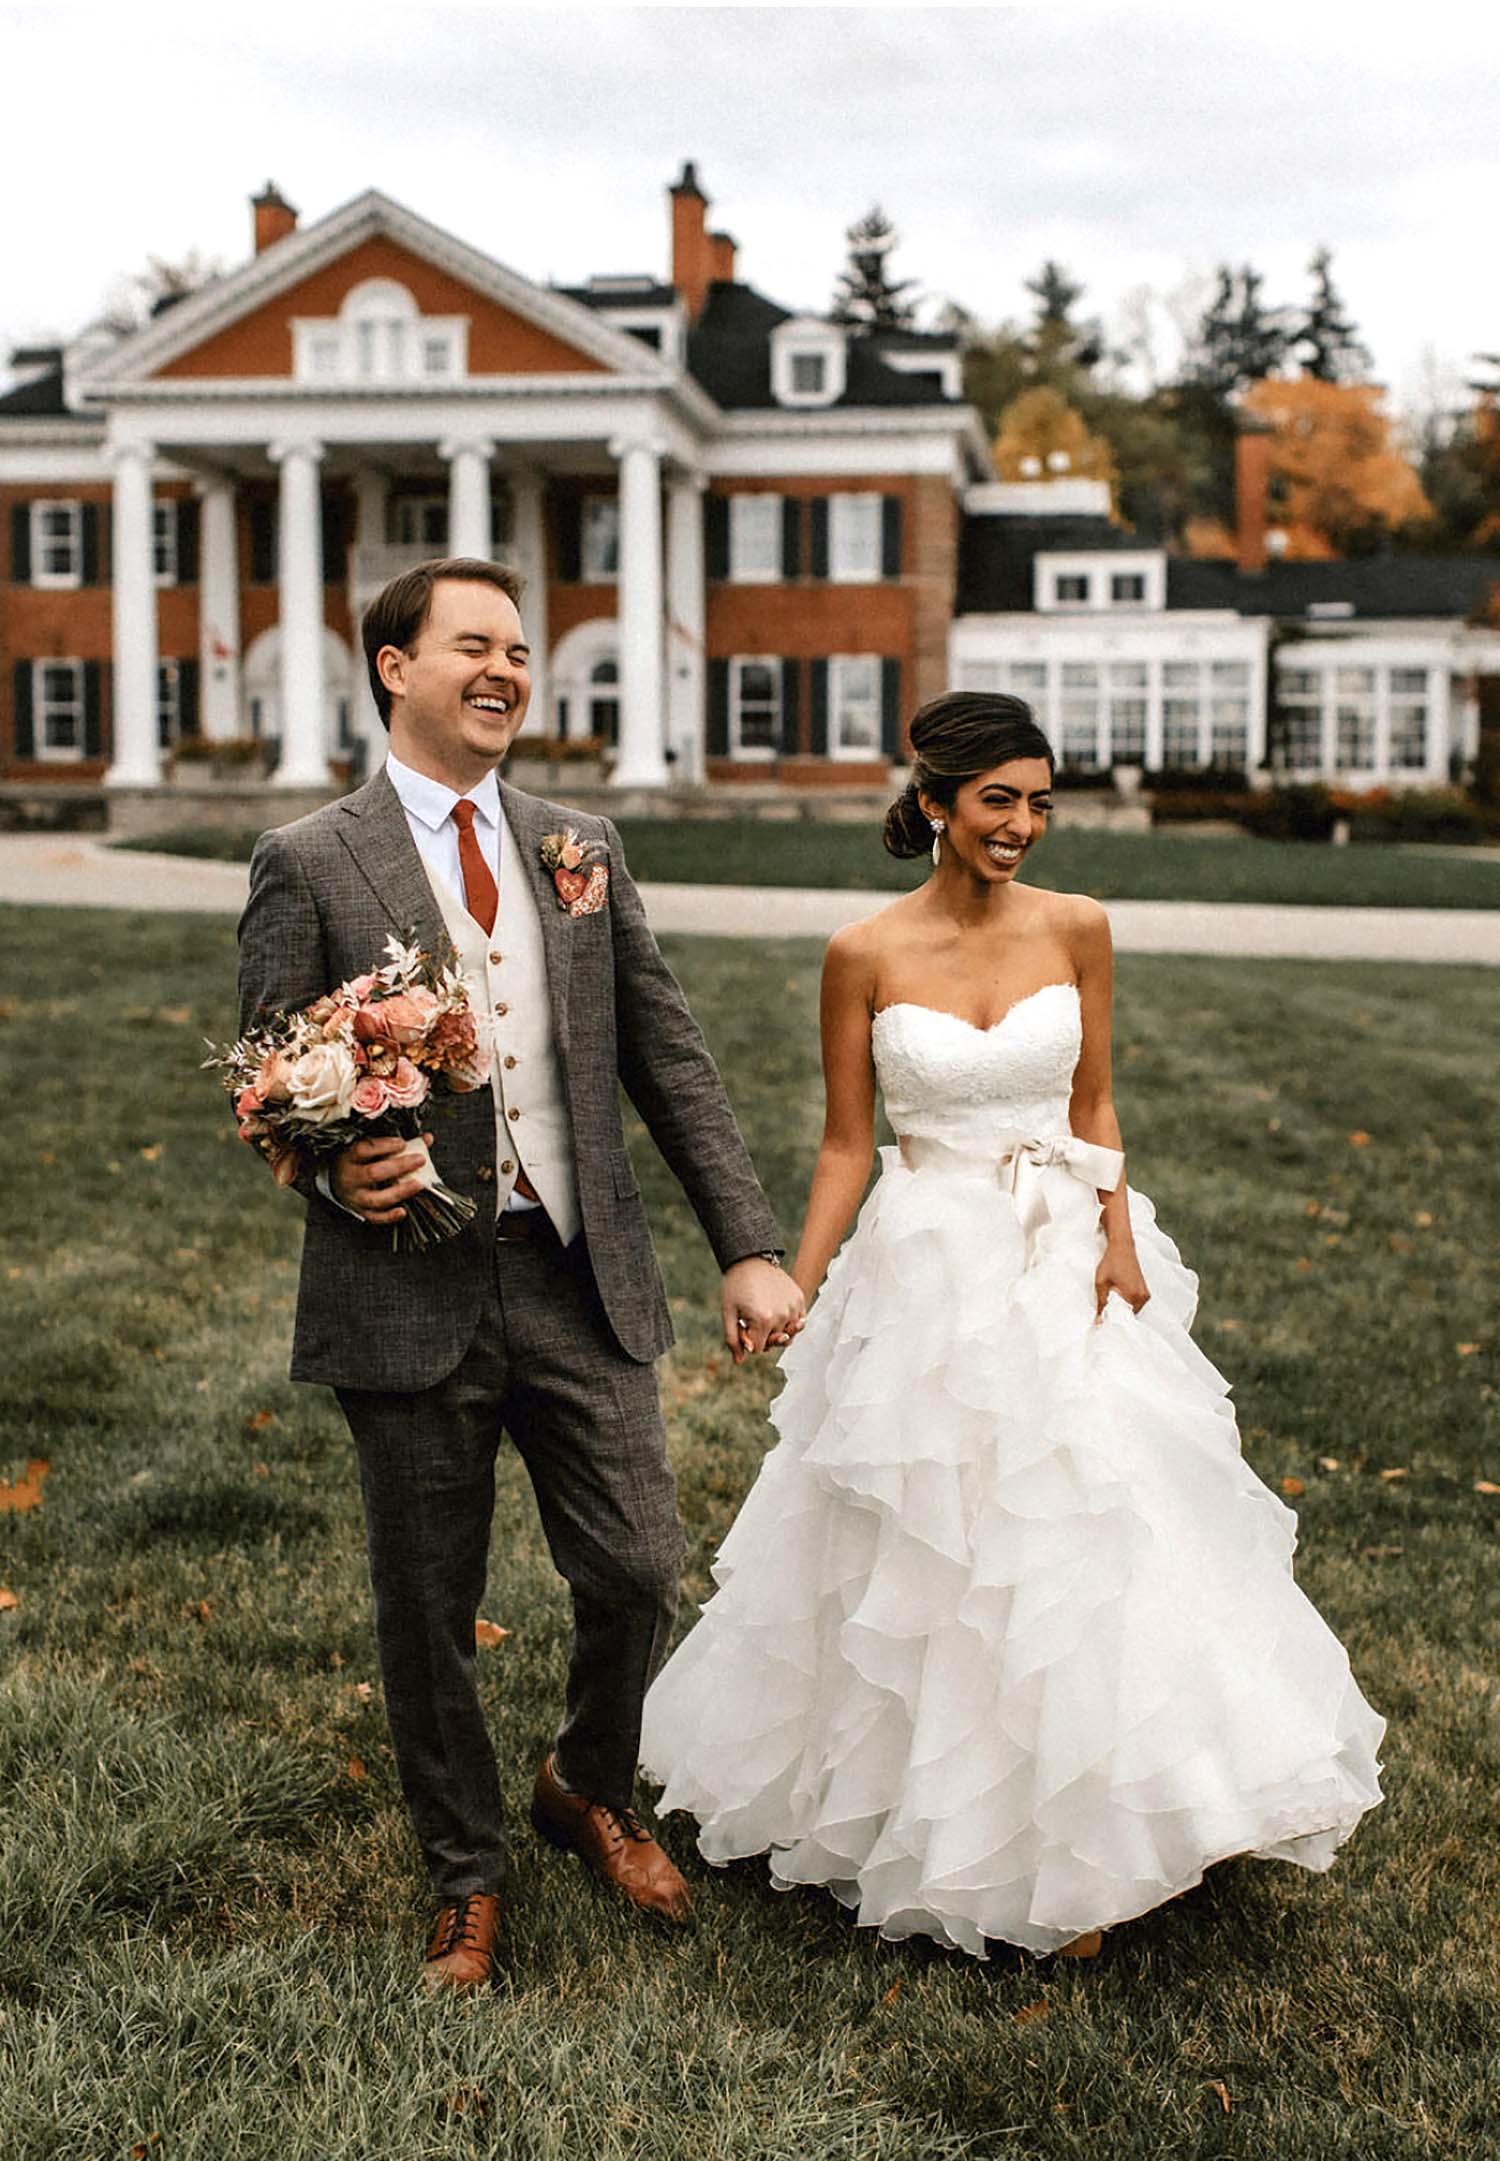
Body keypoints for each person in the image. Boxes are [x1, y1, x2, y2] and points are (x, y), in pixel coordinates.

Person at [640, 692, 1384, 1962]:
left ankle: (1108, 1824)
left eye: (1041, 802)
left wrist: (1118, 1243)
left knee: (1089, 1527)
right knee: (940, 1540)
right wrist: (795, 1280)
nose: (1024, 827)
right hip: (925, 1261)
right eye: (1000, 801)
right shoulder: (863, 953)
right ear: (934, 803)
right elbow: (844, 1143)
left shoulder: (1080, 928)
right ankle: (956, 1829)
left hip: (1064, 1256)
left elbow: (1095, 1101)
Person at [237, 557, 804, 1992]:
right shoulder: (312, 858)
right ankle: (465, 1875)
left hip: (576, 1267)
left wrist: (747, 1239)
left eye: (517, 650)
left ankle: (587, 1780)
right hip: (408, 1281)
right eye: (471, 647)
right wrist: (323, 1163)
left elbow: (665, 1051)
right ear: (393, 665)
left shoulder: (579, 843)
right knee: (427, 1604)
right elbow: (267, 1080)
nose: (504, 671)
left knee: (638, 1563)